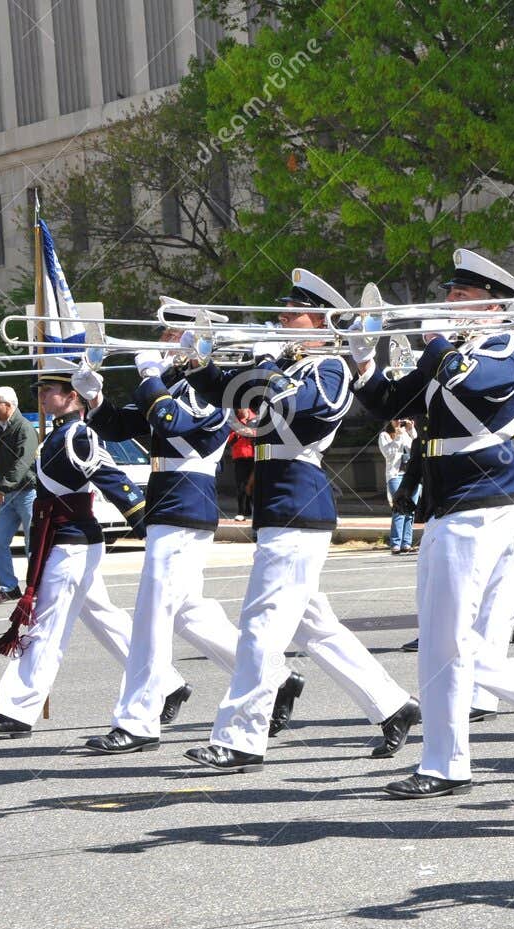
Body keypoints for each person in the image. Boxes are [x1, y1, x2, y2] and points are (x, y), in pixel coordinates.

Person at [353, 250, 514, 798]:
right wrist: (363, 362)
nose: (449, 302)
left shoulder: (504, 346)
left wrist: (435, 344)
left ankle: (447, 763)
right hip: (452, 500)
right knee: (444, 637)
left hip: (483, 498)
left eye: (460, 296)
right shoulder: (455, 352)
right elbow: (390, 404)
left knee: (445, 640)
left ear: (493, 303)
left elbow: (472, 385)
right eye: (449, 294)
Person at [178, 267, 419, 772]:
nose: (282, 317)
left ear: (320, 321)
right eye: (283, 310)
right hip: (276, 506)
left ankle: (241, 736)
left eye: (293, 312)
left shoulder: (327, 367)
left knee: (261, 626)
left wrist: (271, 371)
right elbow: (227, 391)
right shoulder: (282, 362)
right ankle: (394, 705)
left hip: (298, 504)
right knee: (316, 630)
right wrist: (197, 359)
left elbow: (304, 404)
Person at [75, 299, 301, 755]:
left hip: (186, 502)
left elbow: (171, 422)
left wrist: (148, 377)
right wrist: (94, 397)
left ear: (195, 339)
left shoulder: (217, 392)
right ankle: (276, 677)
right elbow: (125, 427)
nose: (159, 343)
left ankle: (137, 720)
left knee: (151, 616)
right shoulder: (172, 383)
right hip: (169, 501)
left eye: (166, 336)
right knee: (186, 612)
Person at [0, 362, 174, 737]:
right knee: (104, 618)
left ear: (72, 396)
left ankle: (16, 711)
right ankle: (168, 683)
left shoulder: (78, 435)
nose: (44, 395)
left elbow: (114, 481)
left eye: (50, 390)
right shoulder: (59, 433)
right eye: (44, 389)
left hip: (71, 544)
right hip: (68, 541)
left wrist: (147, 526)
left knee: (44, 627)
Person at [0, 385, 38, 603]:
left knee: (32, 544)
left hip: (28, 494)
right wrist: (3, 487)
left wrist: (3, 486)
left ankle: (35, 588)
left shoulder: (24, 428)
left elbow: (23, 462)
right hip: (9, 496)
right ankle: (10, 587)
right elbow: (4, 465)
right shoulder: (2, 430)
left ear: (8, 405)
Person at [379, 418, 416, 554]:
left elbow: (416, 448)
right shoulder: (384, 436)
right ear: (390, 421)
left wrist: (411, 430)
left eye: (402, 419)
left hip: (411, 475)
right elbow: (389, 454)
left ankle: (407, 543)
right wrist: (399, 435)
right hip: (395, 475)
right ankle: (395, 543)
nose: (399, 422)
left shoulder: (407, 433)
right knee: (400, 507)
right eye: (396, 419)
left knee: (411, 509)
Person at [227, 416, 254, 521]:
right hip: (240, 456)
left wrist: (251, 433)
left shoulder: (256, 419)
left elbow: (263, 434)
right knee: (241, 484)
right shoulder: (235, 423)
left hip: (255, 456)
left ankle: (252, 509)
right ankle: (242, 511)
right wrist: (238, 433)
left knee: (253, 484)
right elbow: (229, 439)